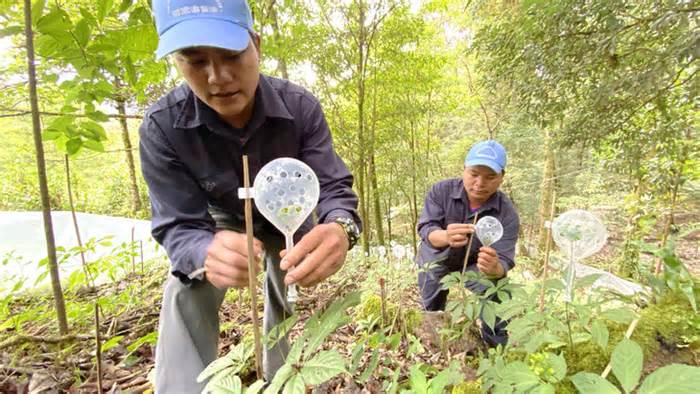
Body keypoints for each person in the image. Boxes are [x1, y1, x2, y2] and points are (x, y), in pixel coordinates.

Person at [139, 1, 361, 391]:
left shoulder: (300, 108)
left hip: (287, 216)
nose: (217, 77)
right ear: (176, 62)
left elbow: (332, 186)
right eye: (195, 61)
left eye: (231, 55)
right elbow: (177, 224)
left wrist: (341, 228)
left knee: (287, 277)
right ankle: (183, 387)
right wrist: (202, 250)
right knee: (185, 286)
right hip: (220, 221)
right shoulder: (162, 127)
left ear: (256, 45)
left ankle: (280, 378)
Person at [415, 140, 519, 347]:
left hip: (475, 263)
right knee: (431, 288)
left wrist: (495, 268)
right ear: (464, 170)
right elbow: (426, 229)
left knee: (498, 292)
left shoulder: (507, 212)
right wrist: (444, 236)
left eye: (490, 177)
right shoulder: (441, 191)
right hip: (437, 255)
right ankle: (431, 341)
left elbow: (504, 261)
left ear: (501, 178)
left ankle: (496, 348)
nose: (480, 183)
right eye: (474, 174)